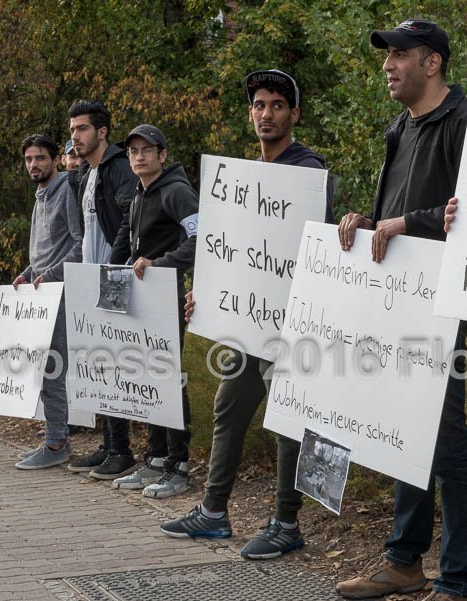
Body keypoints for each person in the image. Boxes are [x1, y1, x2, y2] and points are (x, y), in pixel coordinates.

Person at [160, 69, 334, 560]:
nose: (266, 114)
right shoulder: (239, 180)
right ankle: (213, 513)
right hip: (248, 323)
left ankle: (285, 522)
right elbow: (226, 253)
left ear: (294, 115)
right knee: (229, 405)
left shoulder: (309, 173)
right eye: (259, 105)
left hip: (291, 325)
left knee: (285, 420)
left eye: (277, 105)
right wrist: (206, 296)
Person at [335, 20, 467, 601]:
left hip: (442, 304)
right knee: (404, 429)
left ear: (433, 62)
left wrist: (406, 224)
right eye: (387, 56)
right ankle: (403, 561)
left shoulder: (465, 122)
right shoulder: (401, 126)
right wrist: (366, 224)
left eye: (400, 54)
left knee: (445, 439)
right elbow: (392, 213)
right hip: (393, 301)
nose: (389, 65)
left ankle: (458, 577)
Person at [108, 124, 198, 498]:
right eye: (133, 151)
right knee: (148, 380)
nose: (139, 156)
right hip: (140, 302)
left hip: (167, 300)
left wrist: (159, 264)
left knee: (168, 380)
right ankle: (157, 458)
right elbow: (123, 245)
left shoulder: (176, 191)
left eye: (147, 150)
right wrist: (109, 276)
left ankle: (180, 465)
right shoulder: (140, 195)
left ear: (163, 154)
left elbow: (203, 240)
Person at [63, 99, 140, 479]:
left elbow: (130, 214)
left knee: (115, 364)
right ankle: (108, 444)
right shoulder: (83, 174)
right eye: (73, 130)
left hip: (114, 277)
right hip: (90, 277)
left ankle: (122, 450)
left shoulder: (118, 167)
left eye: (82, 129)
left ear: (102, 132)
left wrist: (117, 262)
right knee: (98, 362)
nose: (75, 137)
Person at [12, 134, 83, 469]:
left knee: (51, 369)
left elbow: (80, 244)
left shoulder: (66, 189)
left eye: (40, 158)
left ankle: (56, 445)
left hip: (60, 294)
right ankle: (54, 438)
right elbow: (44, 249)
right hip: (40, 293)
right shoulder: (41, 195)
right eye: (28, 159)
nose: (34, 165)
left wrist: (52, 274)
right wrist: (27, 272)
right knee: (40, 368)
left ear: (56, 159)